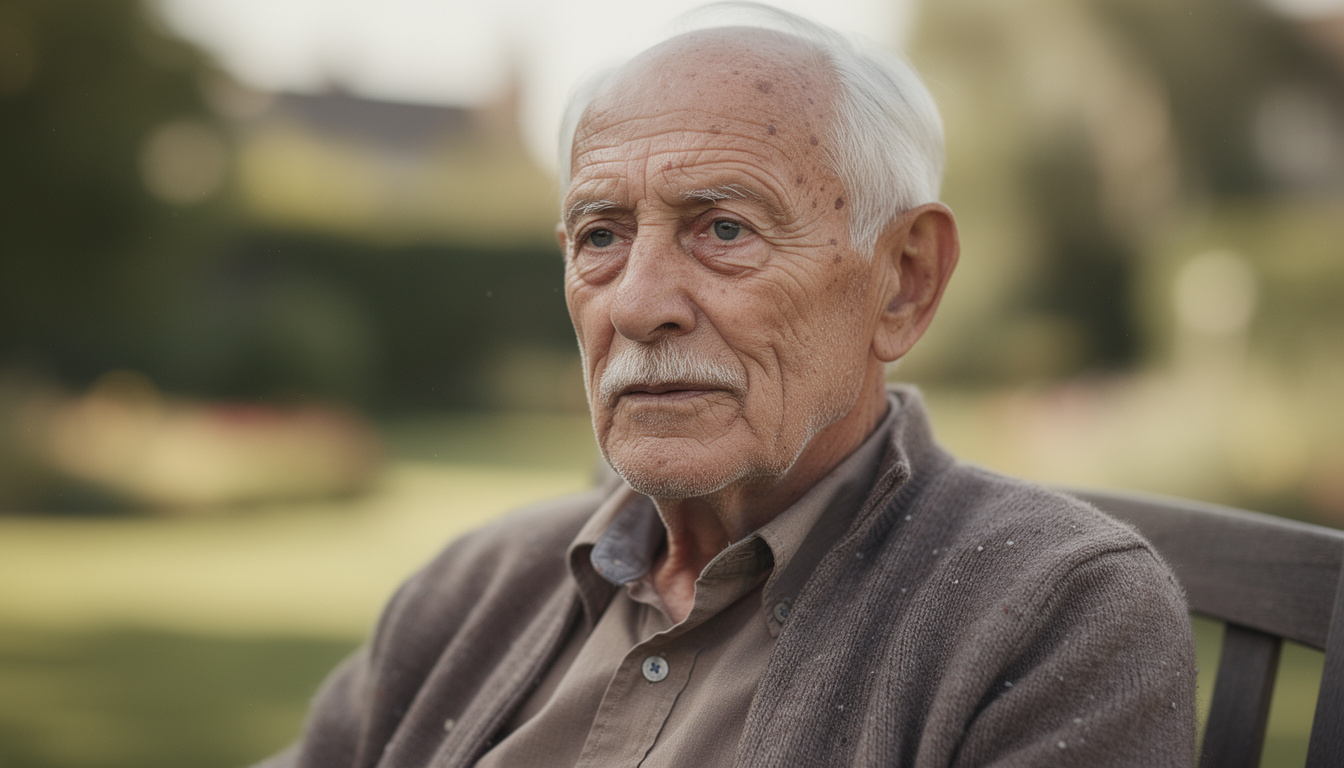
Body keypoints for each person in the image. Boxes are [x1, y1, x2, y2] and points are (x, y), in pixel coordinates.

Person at [258, 4, 1196, 766]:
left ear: (903, 279)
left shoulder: (1056, 612)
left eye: (724, 229)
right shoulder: (473, 587)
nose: (637, 305)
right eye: (601, 237)